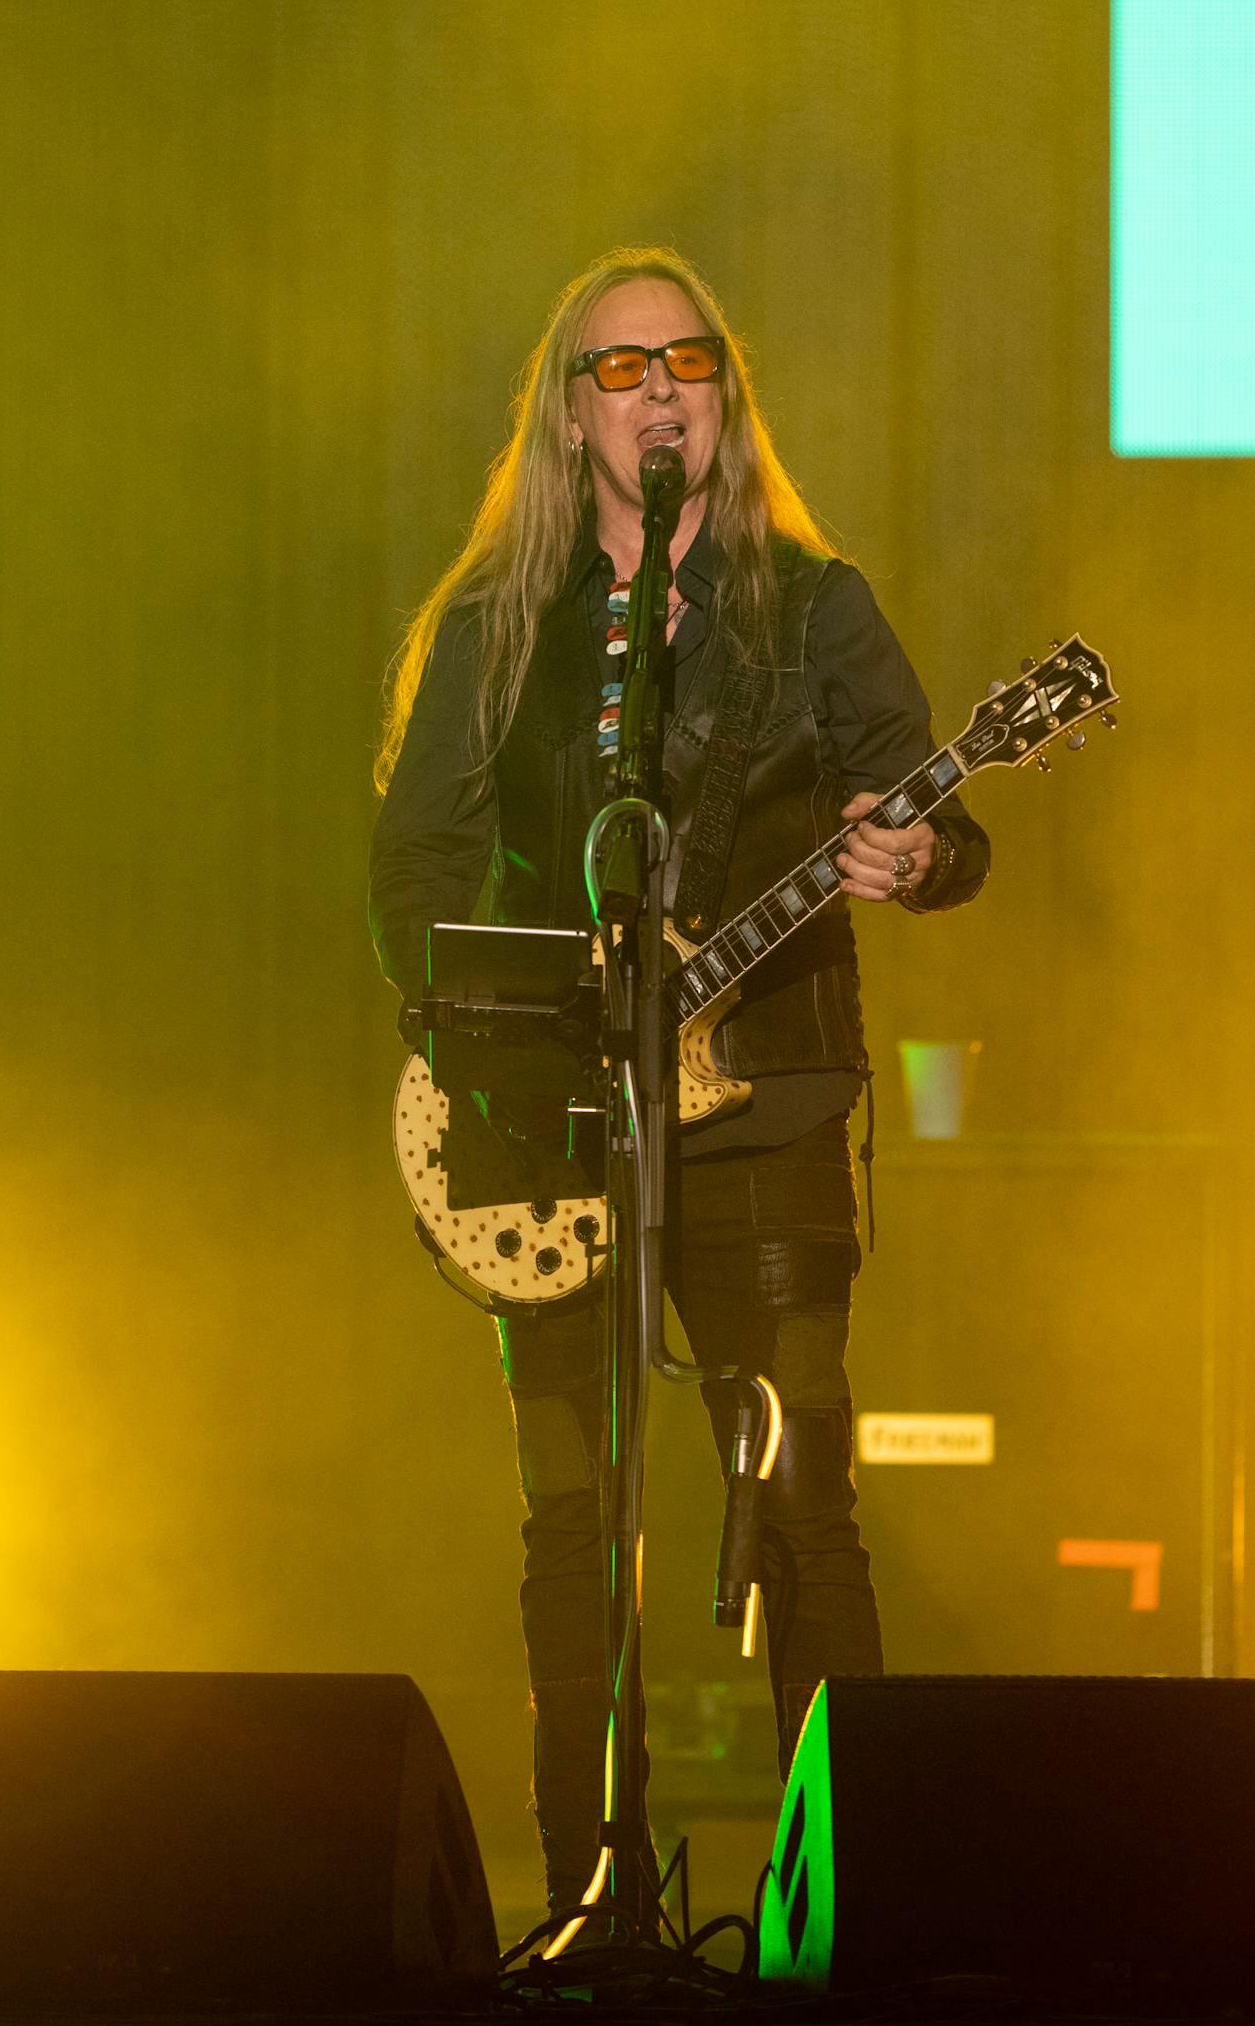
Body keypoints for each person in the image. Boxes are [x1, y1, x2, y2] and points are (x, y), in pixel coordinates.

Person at [370, 245, 988, 1924]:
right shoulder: (500, 626)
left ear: (727, 397)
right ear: (570, 416)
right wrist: (500, 1037)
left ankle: (850, 1917)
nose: (660, 391)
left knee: (801, 1500)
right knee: (573, 1520)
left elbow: (942, 829)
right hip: (546, 1120)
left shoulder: (818, 607)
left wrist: (921, 856)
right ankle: (591, 1890)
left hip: (767, 1100)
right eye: (622, 366)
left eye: (689, 361)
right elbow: (414, 862)